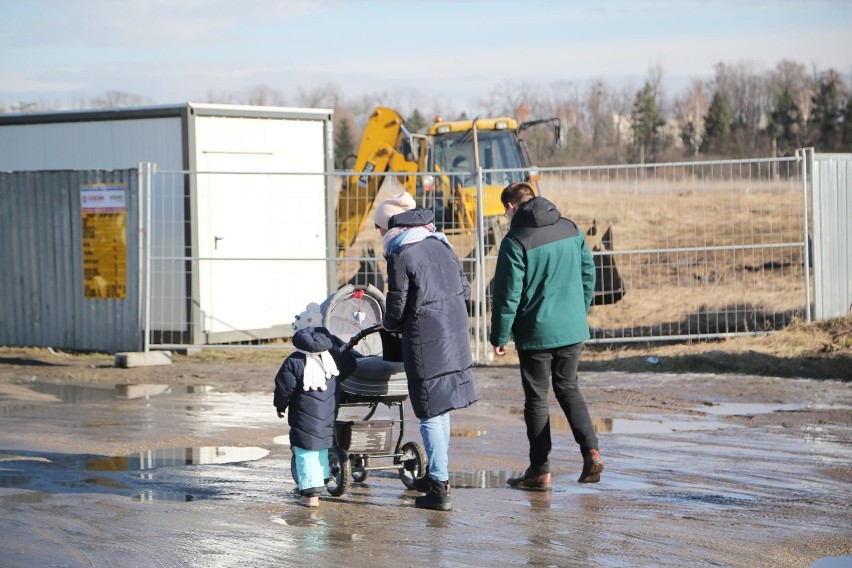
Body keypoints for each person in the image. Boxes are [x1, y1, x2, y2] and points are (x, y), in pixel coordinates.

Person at [489, 181, 604, 490]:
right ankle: (591, 450)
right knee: (569, 389)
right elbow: (588, 273)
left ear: (512, 208)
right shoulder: (571, 228)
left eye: (505, 212)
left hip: (536, 332)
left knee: (537, 400)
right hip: (572, 328)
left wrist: (499, 335)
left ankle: (540, 470)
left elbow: (507, 294)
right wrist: (578, 311)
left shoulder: (516, 241)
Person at [373, 192, 477, 511]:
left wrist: (387, 324)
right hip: (455, 330)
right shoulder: (441, 242)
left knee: (430, 409)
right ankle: (435, 475)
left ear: (390, 226)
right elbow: (466, 289)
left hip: (426, 336)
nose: (379, 236)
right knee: (440, 406)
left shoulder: (401, 253)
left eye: (379, 229)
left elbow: (398, 303)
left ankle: (440, 486)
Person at [273, 303, 356, 507]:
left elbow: (284, 387)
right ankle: (321, 482)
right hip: (328, 413)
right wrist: (337, 381)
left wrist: (280, 406)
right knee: (321, 447)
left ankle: (310, 495)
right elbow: (351, 363)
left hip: (303, 414)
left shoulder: (294, 361)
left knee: (305, 450)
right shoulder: (334, 356)